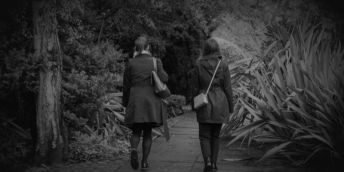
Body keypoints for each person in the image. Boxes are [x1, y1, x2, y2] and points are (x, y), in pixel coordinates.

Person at [122, 35, 169, 170]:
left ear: (136, 48)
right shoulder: (155, 61)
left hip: (135, 101)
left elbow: (126, 86)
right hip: (150, 101)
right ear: (148, 47)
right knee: (147, 133)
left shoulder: (130, 63)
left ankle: (133, 149)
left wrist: (126, 103)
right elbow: (164, 78)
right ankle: (144, 163)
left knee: (136, 131)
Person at [191, 38, 234, 172]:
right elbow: (228, 88)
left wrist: (193, 105)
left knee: (204, 135)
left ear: (205, 49)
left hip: (204, 102)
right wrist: (231, 107)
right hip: (220, 102)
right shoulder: (223, 65)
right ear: (217, 50)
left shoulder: (198, 65)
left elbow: (194, 87)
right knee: (216, 135)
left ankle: (207, 162)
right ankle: (214, 164)